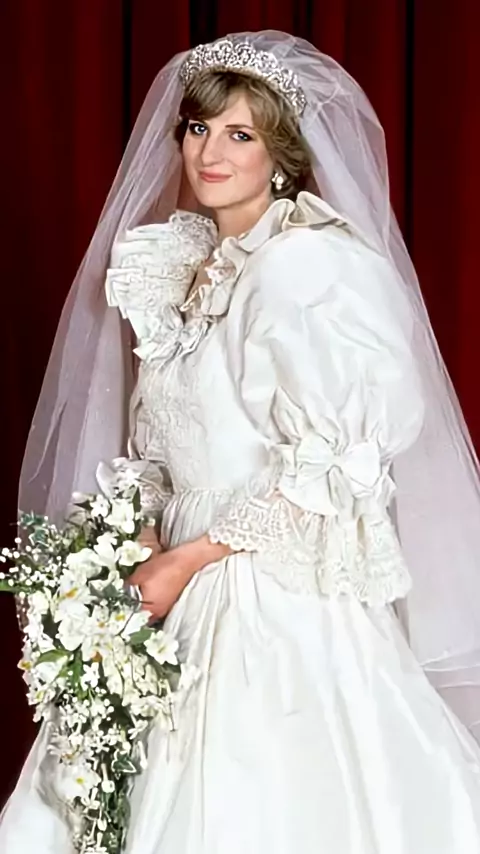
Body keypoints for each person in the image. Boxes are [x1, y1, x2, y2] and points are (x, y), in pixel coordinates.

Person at [2, 29, 480, 854]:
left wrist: (185, 562)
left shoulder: (308, 268)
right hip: (172, 586)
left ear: (282, 155)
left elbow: (335, 469)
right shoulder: (188, 272)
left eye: (240, 134)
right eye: (199, 128)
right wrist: (143, 536)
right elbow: (165, 447)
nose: (210, 152)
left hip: (269, 594)